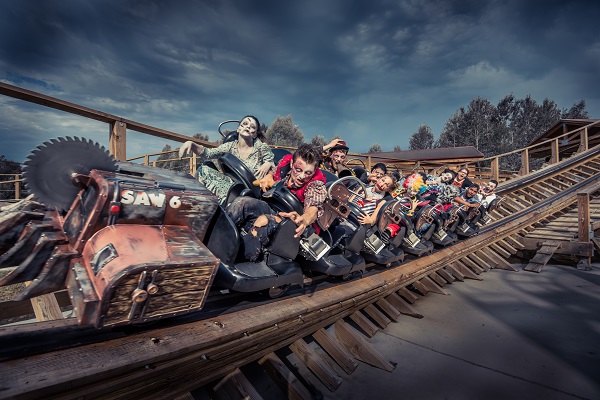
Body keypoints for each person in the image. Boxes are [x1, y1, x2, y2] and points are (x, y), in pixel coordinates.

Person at [227, 144, 327, 261]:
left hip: (292, 223)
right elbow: (273, 171)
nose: (301, 176)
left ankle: (238, 261)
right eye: (298, 169)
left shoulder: (316, 185)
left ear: (314, 171)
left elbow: (314, 208)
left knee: (263, 221)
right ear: (291, 164)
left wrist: (304, 220)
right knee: (241, 202)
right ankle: (220, 239)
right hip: (272, 207)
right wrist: (268, 176)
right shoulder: (284, 166)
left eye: (308, 173)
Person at [178, 115, 274, 204]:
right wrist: (191, 144)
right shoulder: (229, 146)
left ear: (254, 135)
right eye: (245, 124)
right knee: (205, 167)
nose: (248, 126)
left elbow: (274, 167)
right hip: (231, 187)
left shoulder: (261, 148)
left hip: (251, 190)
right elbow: (208, 153)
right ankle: (195, 201)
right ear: (238, 129)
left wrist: (268, 164)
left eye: (252, 126)